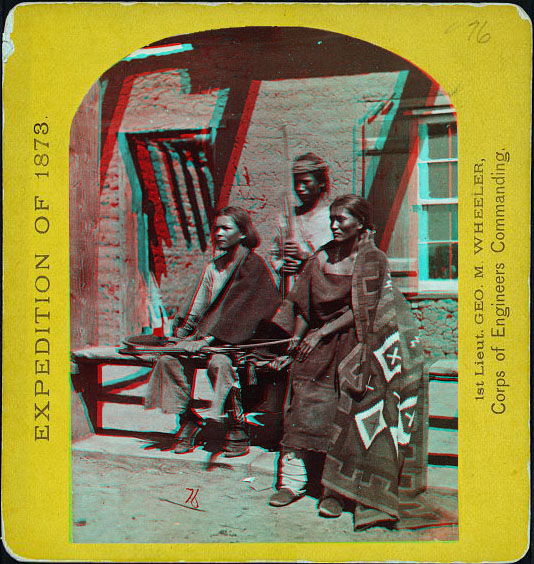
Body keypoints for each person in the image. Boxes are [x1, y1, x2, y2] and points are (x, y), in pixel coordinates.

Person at [269, 194, 424, 531]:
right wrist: (298, 337)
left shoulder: (373, 260)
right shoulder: (319, 257)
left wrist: (322, 331)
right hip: (318, 342)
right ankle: (291, 481)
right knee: (301, 404)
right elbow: (302, 303)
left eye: (342, 219)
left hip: (356, 344)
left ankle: (333, 491)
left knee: (346, 411)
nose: (335, 225)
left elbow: (364, 310)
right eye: (333, 219)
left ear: (361, 224)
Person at [144, 207, 280, 457]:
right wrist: (183, 336)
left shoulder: (252, 265)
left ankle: (235, 424)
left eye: (226, 228)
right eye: (216, 228)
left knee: (218, 363)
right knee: (168, 360)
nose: (218, 233)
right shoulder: (212, 268)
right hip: (206, 337)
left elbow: (243, 311)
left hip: (240, 341)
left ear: (242, 233)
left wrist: (207, 339)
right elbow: (197, 307)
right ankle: (187, 420)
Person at [270, 153, 332, 292]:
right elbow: (275, 253)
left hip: (321, 291)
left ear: (320, 182)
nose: (299, 188)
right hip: (290, 291)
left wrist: (305, 256)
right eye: (296, 183)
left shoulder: (331, 218)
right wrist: (281, 267)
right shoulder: (286, 218)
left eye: (305, 182)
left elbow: (336, 260)